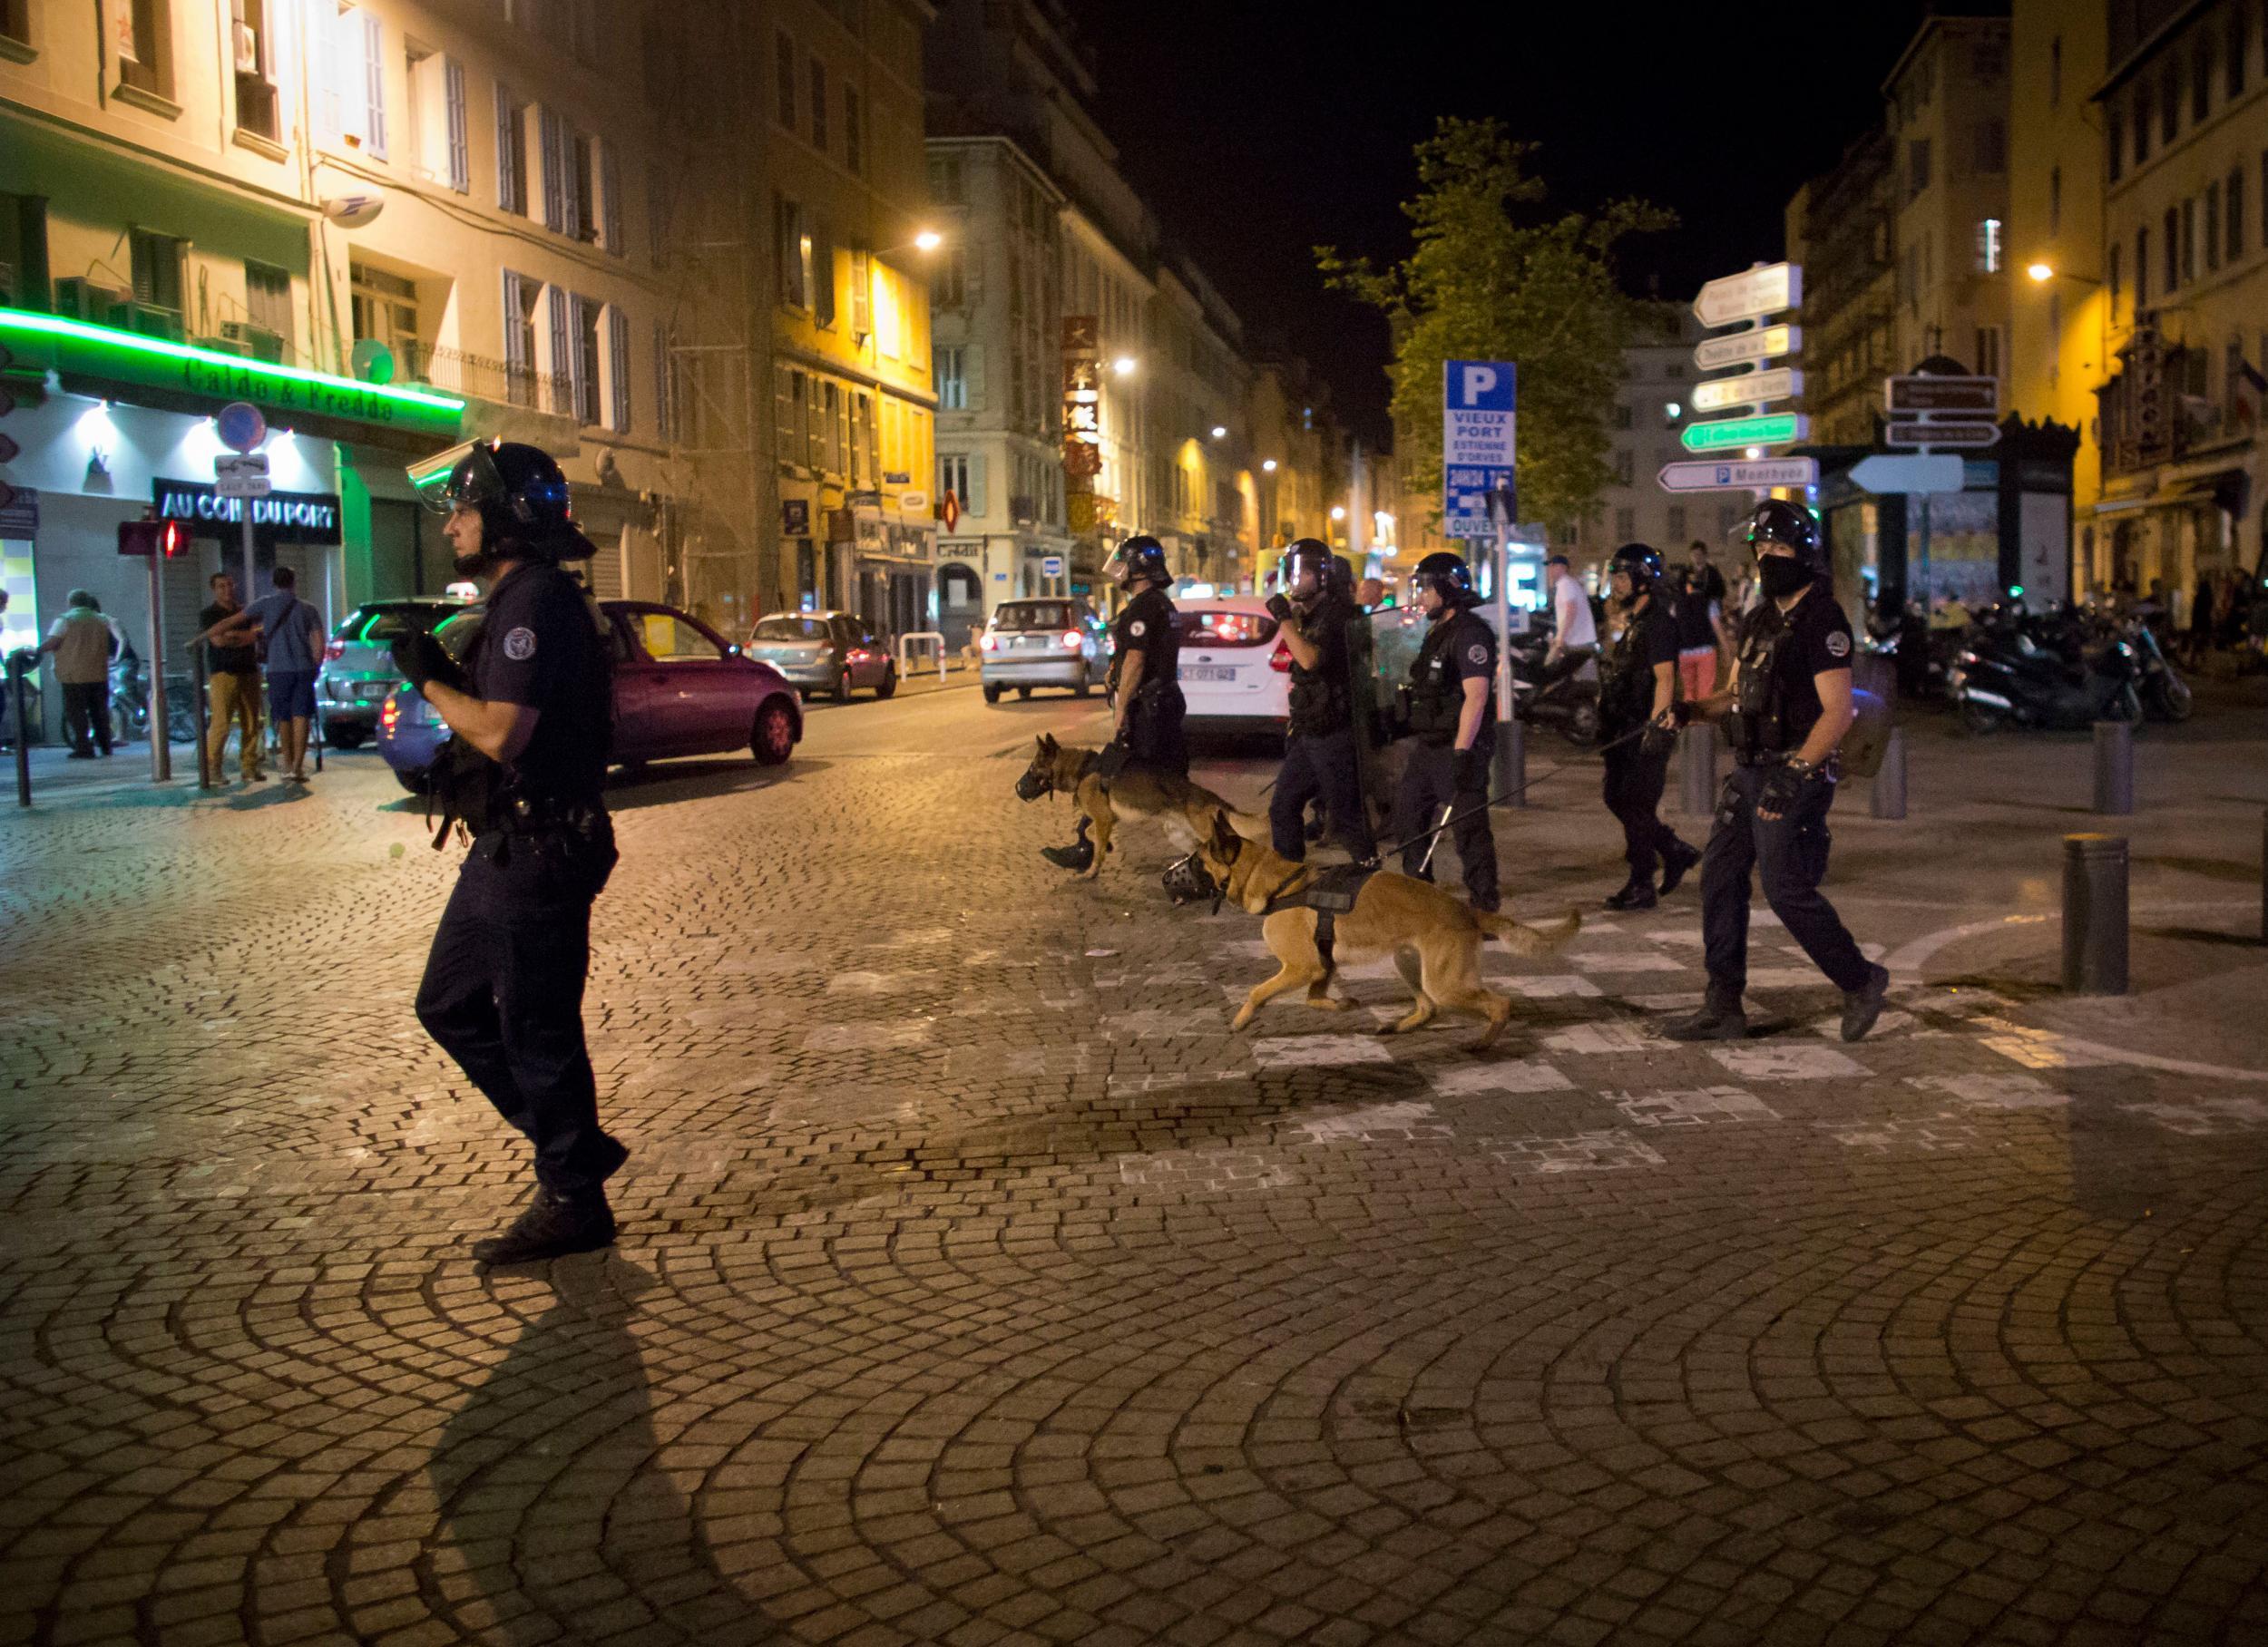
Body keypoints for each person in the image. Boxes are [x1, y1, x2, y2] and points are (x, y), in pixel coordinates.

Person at [391, 438, 625, 1265]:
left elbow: (499, 730)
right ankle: (576, 1152)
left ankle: (574, 1197)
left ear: (504, 518)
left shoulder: (532, 599)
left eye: (462, 508)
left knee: (535, 1025)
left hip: (542, 842)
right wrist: (450, 665)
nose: (451, 523)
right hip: (509, 842)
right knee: (448, 1003)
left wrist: (428, 678)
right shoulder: (521, 598)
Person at [1663, 500, 1890, 1044]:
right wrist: (1690, 711)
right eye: (1760, 548)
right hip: (1748, 772)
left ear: (1804, 554)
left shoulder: (1823, 619)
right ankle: (1723, 1005)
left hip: (1795, 772)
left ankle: (1861, 980)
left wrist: (1795, 774)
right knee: (1719, 879)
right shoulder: (1764, 615)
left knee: (1787, 891)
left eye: (1778, 548)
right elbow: (1737, 693)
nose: (1767, 558)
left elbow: (1838, 711)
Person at [1389, 551, 1500, 911]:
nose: (1420, 597)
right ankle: (1419, 896)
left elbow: (1477, 696)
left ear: (1447, 589)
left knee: (1468, 829)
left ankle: (1485, 906)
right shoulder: (1438, 632)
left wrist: (1463, 752)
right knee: (1408, 815)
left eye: (1426, 588)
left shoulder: (1471, 633)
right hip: (1430, 744)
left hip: (1459, 744)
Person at [1597, 542, 1696, 911]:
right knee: (1617, 798)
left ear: (1642, 581)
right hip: (1623, 729)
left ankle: (1642, 884)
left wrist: (1656, 729)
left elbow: (1666, 678)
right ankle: (1673, 849)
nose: (1615, 584)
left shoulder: (1658, 624)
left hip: (1644, 730)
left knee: (1636, 806)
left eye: (1622, 577)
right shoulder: (1636, 623)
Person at [1267, 538, 1375, 865]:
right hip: (1311, 729)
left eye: (1303, 573)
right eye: (1292, 573)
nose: (1294, 580)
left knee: (1346, 817)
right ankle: (1290, 876)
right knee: (1283, 806)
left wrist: (1285, 620)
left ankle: (1370, 876)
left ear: (1323, 576)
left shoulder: (1336, 615)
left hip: (1334, 732)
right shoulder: (1311, 616)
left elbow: (1310, 659)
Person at [218, 568, 324, 781]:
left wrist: (210, 632)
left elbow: (234, 620)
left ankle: (286, 763)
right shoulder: (308, 609)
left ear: (274, 583)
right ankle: (298, 766)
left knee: (283, 717)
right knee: (301, 716)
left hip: (277, 670)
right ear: (294, 583)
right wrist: (316, 665)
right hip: (303, 668)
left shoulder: (265, 603)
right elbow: (319, 643)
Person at [37, 590, 127, 758]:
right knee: (99, 712)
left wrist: (36, 650)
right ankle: (106, 746)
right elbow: (118, 637)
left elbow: (53, 642)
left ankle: (84, 748)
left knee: (77, 713)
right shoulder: (102, 619)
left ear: (70, 602)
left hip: (74, 674)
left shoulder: (65, 620)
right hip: (99, 673)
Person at [195, 571, 266, 784]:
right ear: (214, 590)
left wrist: (234, 637)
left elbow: (255, 635)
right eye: (221, 586)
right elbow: (218, 641)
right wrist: (240, 637)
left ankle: (249, 767)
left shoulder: (245, 612)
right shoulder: (209, 614)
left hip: (249, 671)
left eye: (229, 585)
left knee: (252, 722)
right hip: (223, 673)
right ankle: (213, 767)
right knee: (221, 723)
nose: (227, 590)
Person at [1673, 540, 1730, 701]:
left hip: (1685, 650)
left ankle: (1689, 720)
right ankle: (1701, 722)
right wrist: (1726, 650)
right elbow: (1716, 624)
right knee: (1705, 692)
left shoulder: (1679, 602)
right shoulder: (1708, 602)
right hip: (1705, 648)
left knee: (1689, 692)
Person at [1540, 553, 1598, 686]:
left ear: (1562, 567)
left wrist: (1561, 637)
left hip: (1578, 642)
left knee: (1552, 670)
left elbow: (1571, 610)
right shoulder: (1568, 583)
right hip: (1579, 641)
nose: (1549, 569)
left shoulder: (1565, 584)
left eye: (1552, 566)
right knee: (1580, 680)